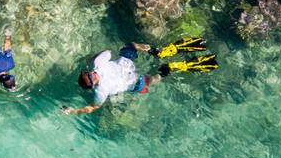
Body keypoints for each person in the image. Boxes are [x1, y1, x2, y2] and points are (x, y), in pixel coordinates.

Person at [62, 38, 217, 115]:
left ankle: (166, 71)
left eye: (88, 74)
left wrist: (74, 111)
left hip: (131, 82)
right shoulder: (98, 64)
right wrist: (90, 59)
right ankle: (156, 52)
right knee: (130, 46)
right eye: (90, 76)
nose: (91, 74)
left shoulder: (100, 91)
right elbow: (108, 52)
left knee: (150, 81)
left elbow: (93, 107)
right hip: (127, 64)